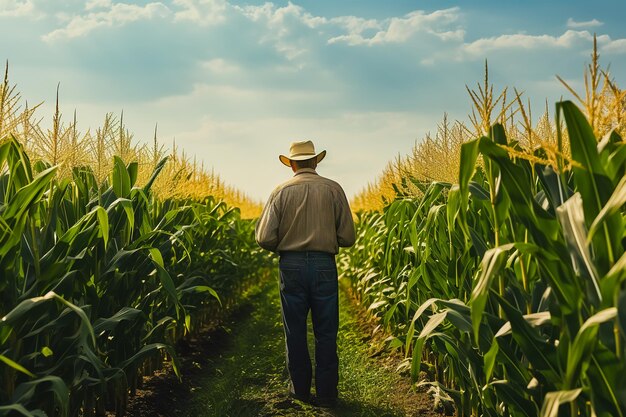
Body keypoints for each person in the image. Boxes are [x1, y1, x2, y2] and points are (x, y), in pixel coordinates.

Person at [255, 140, 355, 408]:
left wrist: (288, 245)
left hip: (292, 265)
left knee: (295, 330)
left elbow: (264, 237)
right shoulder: (334, 189)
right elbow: (347, 237)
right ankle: (326, 393)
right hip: (324, 264)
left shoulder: (280, 191)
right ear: (316, 161)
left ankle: (299, 390)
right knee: (326, 330)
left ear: (292, 164)